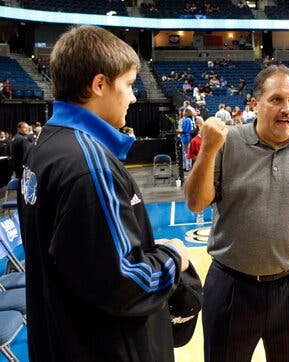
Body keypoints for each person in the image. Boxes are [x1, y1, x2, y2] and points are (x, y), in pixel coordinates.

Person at [16, 25, 190, 362]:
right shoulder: (88, 163)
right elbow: (125, 283)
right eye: (128, 84)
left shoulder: (46, 146)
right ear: (99, 85)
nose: (134, 96)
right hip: (103, 346)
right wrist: (174, 257)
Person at [185, 64, 289, 361]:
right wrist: (208, 150)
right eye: (276, 100)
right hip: (232, 285)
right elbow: (196, 202)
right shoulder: (228, 142)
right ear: (255, 104)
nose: (287, 109)